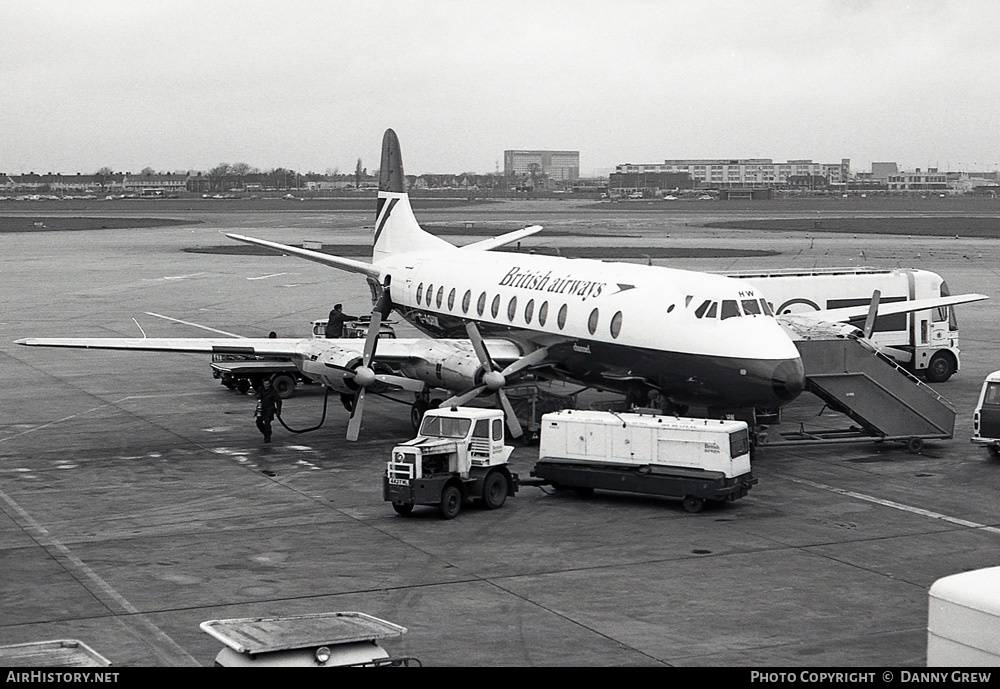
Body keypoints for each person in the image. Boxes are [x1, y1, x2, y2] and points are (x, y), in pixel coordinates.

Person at [255, 378, 282, 443]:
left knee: (267, 424)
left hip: (269, 409)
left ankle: (267, 437)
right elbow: (257, 395)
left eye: (267, 384)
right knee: (258, 423)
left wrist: (278, 410)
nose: (266, 385)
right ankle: (266, 433)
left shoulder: (273, 392)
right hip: (261, 409)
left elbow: (279, 401)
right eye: (265, 384)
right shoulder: (260, 389)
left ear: (270, 384)